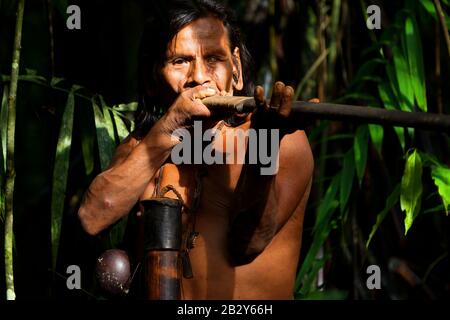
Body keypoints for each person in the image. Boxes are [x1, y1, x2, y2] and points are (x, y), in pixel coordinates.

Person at [78, 0, 314, 300]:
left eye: (214, 58)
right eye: (180, 61)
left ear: (237, 70)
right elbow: (93, 217)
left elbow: (249, 243)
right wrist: (170, 125)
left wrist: (265, 141)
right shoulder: (144, 145)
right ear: (153, 79)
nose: (199, 77)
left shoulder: (283, 141)